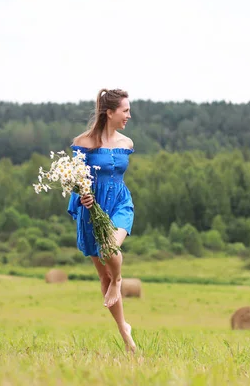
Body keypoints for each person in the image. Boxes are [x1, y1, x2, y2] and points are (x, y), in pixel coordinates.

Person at [67, 88, 136, 353]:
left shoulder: (126, 143)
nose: (128, 115)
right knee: (103, 276)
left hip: (119, 203)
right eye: (125, 110)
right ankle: (124, 331)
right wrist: (83, 194)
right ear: (109, 112)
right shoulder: (84, 142)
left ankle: (119, 281)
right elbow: (76, 177)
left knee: (110, 247)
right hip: (93, 208)